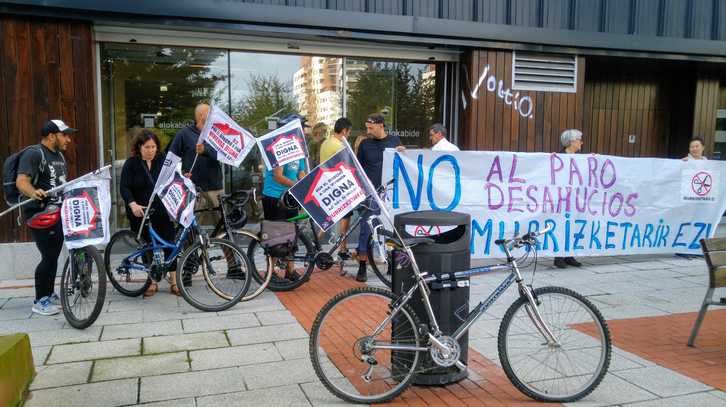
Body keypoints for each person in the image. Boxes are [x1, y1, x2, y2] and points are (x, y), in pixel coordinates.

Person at [16, 120, 72, 316]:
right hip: (40, 213)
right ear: (51, 136)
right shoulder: (34, 153)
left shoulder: (59, 156)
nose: (69, 139)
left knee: (53, 255)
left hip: (58, 212)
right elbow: (22, 181)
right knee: (48, 256)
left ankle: (48, 293)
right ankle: (40, 300)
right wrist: (33, 192)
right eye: (64, 135)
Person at [119, 129, 178, 296]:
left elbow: (173, 180)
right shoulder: (131, 164)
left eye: (153, 147)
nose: (151, 150)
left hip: (161, 210)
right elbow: (124, 187)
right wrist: (132, 204)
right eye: (147, 147)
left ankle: (174, 282)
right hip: (140, 211)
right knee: (148, 247)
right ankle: (152, 282)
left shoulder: (163, 161)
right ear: (139, 147)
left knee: (169, 244)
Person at [355, 113, 405, 282]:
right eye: (366, 128)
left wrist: (403, 152)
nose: (368, 131)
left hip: (389, 193)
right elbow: (358, 169)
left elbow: (404, 163)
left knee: (390, 229)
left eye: (371, 127)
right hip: (370, 193)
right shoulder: (365, 144)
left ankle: (391, 263)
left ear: (381, 125)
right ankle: (362, 266)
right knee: (366, 229)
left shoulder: (394, 141)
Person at [168, 103, 221, 226]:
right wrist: (181, 174)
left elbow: (224, 155)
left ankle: (225, 245)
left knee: (221, 224)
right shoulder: (184, 134)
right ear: (201, 115)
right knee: (193, 226)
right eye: (210, 113)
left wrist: (206, 151)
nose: (213, 116)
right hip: (193, 188)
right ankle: (193, 246)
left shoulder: (216, 134)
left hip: (215, 187)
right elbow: (171, 158)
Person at [262, 148, 307, 280]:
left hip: (289, 196)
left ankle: (290, 270)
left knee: (291, 233)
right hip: (274, 196)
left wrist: (303, 184)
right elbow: (278, 176)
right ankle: (271, 272)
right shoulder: (279, 149)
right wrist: (296, 185)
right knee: (275, 236)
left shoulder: (298, 150)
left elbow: (301, 172)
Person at [319, 117, 354, 260]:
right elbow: (348, 167)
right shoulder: (339, 146)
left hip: (327, 184)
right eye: (349, 132)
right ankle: (342, 249)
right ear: (344, 131)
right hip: (338, 186)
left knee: (329, 217)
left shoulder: (326, 142)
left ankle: (316, 240)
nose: (349, 135)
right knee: (344, 217)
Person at [554, 129, 584, 269]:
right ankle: (559, 257)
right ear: (572, 141)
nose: (581, 142)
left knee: (573, 226)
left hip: (574, 200)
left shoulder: (581, 159)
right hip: (562, 199)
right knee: (561, 226)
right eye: (579, 139)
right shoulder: (559, 157)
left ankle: (569, 256)